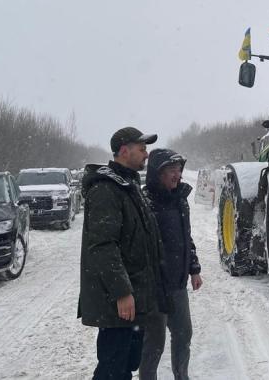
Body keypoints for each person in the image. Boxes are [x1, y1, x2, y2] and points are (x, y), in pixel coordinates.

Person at [78, 126, 167, 380]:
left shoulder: (128, 185)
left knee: (126, 364)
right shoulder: (106, 189)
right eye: (142, 149)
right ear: (124, 151)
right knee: (112, 369)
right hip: (118, 302)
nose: (146, 155)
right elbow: (103, 246)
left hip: (134, 297)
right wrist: (122, 292)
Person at [139, 148, 203, 380]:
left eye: (178, 171)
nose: (177, 176)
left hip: (177, 285)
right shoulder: (145, 204)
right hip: (155, 288)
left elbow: (186, 238)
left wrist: (194, 269)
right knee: (154, 344)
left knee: (184, 334)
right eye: (171, 172)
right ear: (157, 174)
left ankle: (181, 376)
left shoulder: (180, 201)